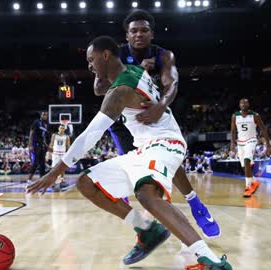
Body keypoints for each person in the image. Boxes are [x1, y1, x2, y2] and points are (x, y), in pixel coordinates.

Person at [28, 36, 232, 270]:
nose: (89, 66)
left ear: (105, 55)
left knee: (146, 194)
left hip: (166, 142)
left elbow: (90, 135)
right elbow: (99, 87)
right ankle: (147, 230)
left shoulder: (121, 90)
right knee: (87, 183)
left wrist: (55, 172)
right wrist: (100, 70)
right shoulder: (133, 70)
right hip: (144, 148)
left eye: (91, 60)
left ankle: (210, 260)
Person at [93, 9, 220, 242]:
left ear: (152, 34)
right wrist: (137, 70)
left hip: (153, 111)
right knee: (139, 169)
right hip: (124, 120)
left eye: (144, 30)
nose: (139, 34)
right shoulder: (115, 54)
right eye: (134, 31)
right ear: (127, 35)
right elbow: (99, 89)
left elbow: (172, 84)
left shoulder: (164, 55)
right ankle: (147, 226)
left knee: (168, 159)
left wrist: (161, 105)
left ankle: (194, 203)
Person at [230, 98, 271, 197]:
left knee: (246, 161)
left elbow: (264, 129)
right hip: (240, 142)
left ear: (248, 104)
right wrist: (232, 142)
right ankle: (254, 181)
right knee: (244, 166)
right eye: (241, 103)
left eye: (245, 103)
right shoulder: (235, 116)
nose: (243, 104)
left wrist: (268, 145)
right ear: (239, 105)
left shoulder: (255, 115)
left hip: (251, 140)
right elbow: (233, 131)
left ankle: (248, 187)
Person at [27, 111, 50, 182]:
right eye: (44, 115)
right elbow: (31, 133)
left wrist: (47, 146)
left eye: (46, 115)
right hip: (35, 145)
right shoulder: (36, 122)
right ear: (41, 115)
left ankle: (41, 180)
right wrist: (30, 145)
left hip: (42, 146)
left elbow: (44, 137)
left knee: (42, 164)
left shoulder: (46, 125)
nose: (45, 116)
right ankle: (29, 180)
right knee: (35, 162)